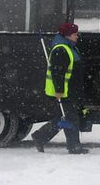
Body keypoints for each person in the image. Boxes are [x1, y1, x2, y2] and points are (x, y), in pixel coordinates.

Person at [34, 21, 89, 154]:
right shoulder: (61, 49)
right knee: (71, 118)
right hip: (64, 91)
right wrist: (59, 90)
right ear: (68, 35)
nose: (77, 36)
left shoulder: (69, 47)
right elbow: (57, 72)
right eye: (75, 34)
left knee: (62, 118)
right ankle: (74, 146)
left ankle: (40, 137)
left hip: (70, 90)